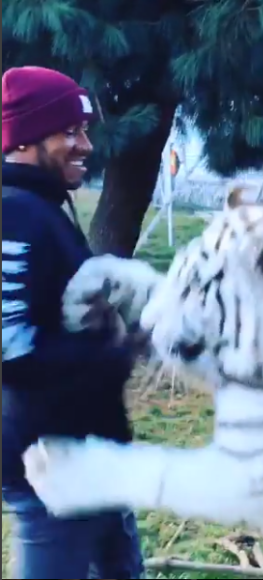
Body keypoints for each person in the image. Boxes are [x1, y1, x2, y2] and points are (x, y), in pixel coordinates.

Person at [2, 66, 145, 578]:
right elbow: (9, 351)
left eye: (84, 130)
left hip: (96, 453)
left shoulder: (43, 207)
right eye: (70, 131)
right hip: (51, 464)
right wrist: (116, 349)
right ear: (26, 139)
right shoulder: (12, 214)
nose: (85, 144)